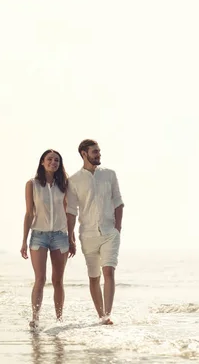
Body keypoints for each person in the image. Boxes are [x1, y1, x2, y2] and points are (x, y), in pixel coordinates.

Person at [66, 139, 124, 325]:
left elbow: (118, 202)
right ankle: (100, 316)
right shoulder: (74, 180)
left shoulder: (110, 175)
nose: (98, 155)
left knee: (109, 271)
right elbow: (72, 211)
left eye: (99, 151)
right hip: (88, 234)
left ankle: (107, 315)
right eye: (94, 152)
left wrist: (118, 228)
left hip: (109, 232)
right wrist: (71, 236)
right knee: (94, 277)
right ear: (84, 154)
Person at [21, 149, 76, 329]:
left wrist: (72, 238)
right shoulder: (32, 184)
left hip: (61, 236)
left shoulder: (65, 185)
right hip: (39, 236)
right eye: (50, 159)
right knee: (40, 279)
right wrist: (23, 240)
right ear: (42, 162)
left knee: (58, 280)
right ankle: (35, 319)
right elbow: (29, 213)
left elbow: (69, 214)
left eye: (57, 160)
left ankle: (59, 320)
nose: (54, 162)